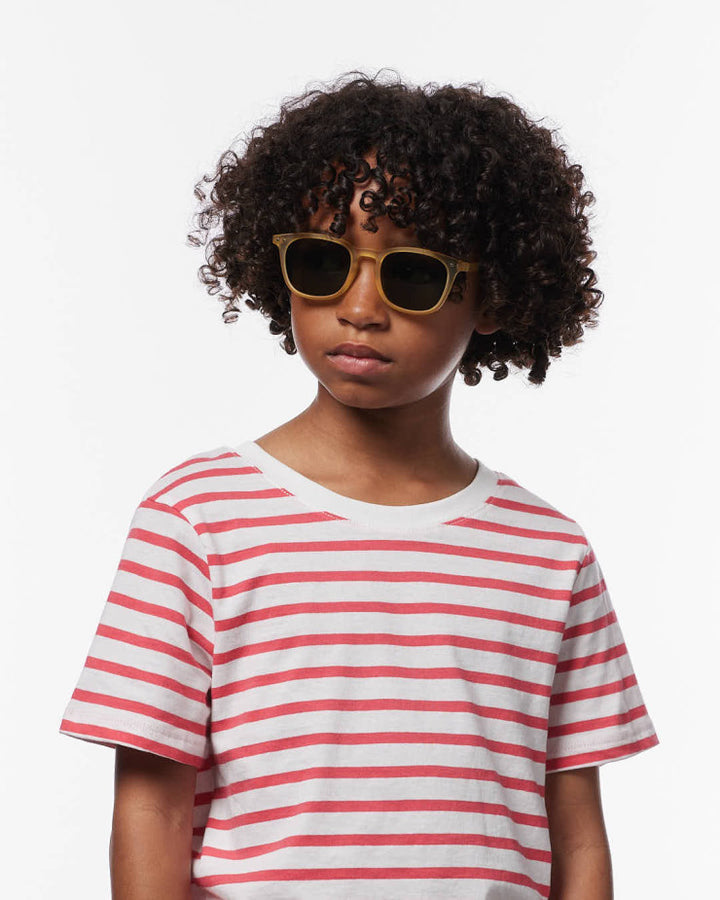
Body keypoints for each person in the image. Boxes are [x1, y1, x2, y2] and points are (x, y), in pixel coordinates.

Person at [59, 70, 659, 899]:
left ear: (492, 296)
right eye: (323, 262)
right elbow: (151, 810)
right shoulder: (196, 520)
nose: (361, 307)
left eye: (411, 274)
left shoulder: (550, 553)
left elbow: (578, 834)